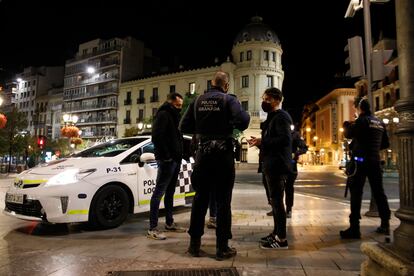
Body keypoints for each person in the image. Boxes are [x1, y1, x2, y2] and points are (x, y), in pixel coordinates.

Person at [180, 71, 250, 260]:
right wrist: (228, 127)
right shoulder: (229, 100)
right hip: (223, 156)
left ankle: (194, 246)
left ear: (212, 84)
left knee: (199, 200)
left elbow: (183, 126)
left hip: (203, 155)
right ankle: (222, 248)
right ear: (225, 85)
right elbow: (243, 121)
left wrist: (202, 129)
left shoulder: (197, 101)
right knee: (223, 202)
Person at [340, 97, 391, 239]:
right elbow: (385, 143)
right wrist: (372, 148)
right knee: (379, 192)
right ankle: (385, 223)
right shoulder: (379, 122)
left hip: (360, 163)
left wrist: (346, 124)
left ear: (359, 108)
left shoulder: (361, 121)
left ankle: (354, 228)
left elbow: (348, 133)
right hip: (375, 161)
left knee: (356, 194)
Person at [248, 87, 292, 250]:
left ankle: (282, 240)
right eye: (263, 99)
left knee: (277, 203)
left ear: (276, 100)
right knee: (274, 202)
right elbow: (274, 139)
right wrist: (260, 141)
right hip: (270, 164)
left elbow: (284, 140)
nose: (264, 102)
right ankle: (276, 233)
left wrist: (263, 142)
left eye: (267, 99)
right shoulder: (273, 117)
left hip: (277, 165)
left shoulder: (281, 117)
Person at [147, 92, 186, 240]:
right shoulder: (163, 114)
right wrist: (167, 156)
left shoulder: (173, 115)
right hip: (167, 160)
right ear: (170, 103)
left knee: (170, 192)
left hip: (174, 159)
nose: (180, 108)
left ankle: (169, 223)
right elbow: (157, 137)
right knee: (159, 192)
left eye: (181, 106)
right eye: (177, 105)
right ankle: (152, 228)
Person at [285, 126, 308, 218]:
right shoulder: (277, 131)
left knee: (289, 187)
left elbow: (304, 148)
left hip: (291, 165)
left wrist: (295, 153)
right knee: (277, 188)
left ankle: (289, 208)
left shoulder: (295, 134)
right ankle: (276, 208)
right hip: (278, 163)